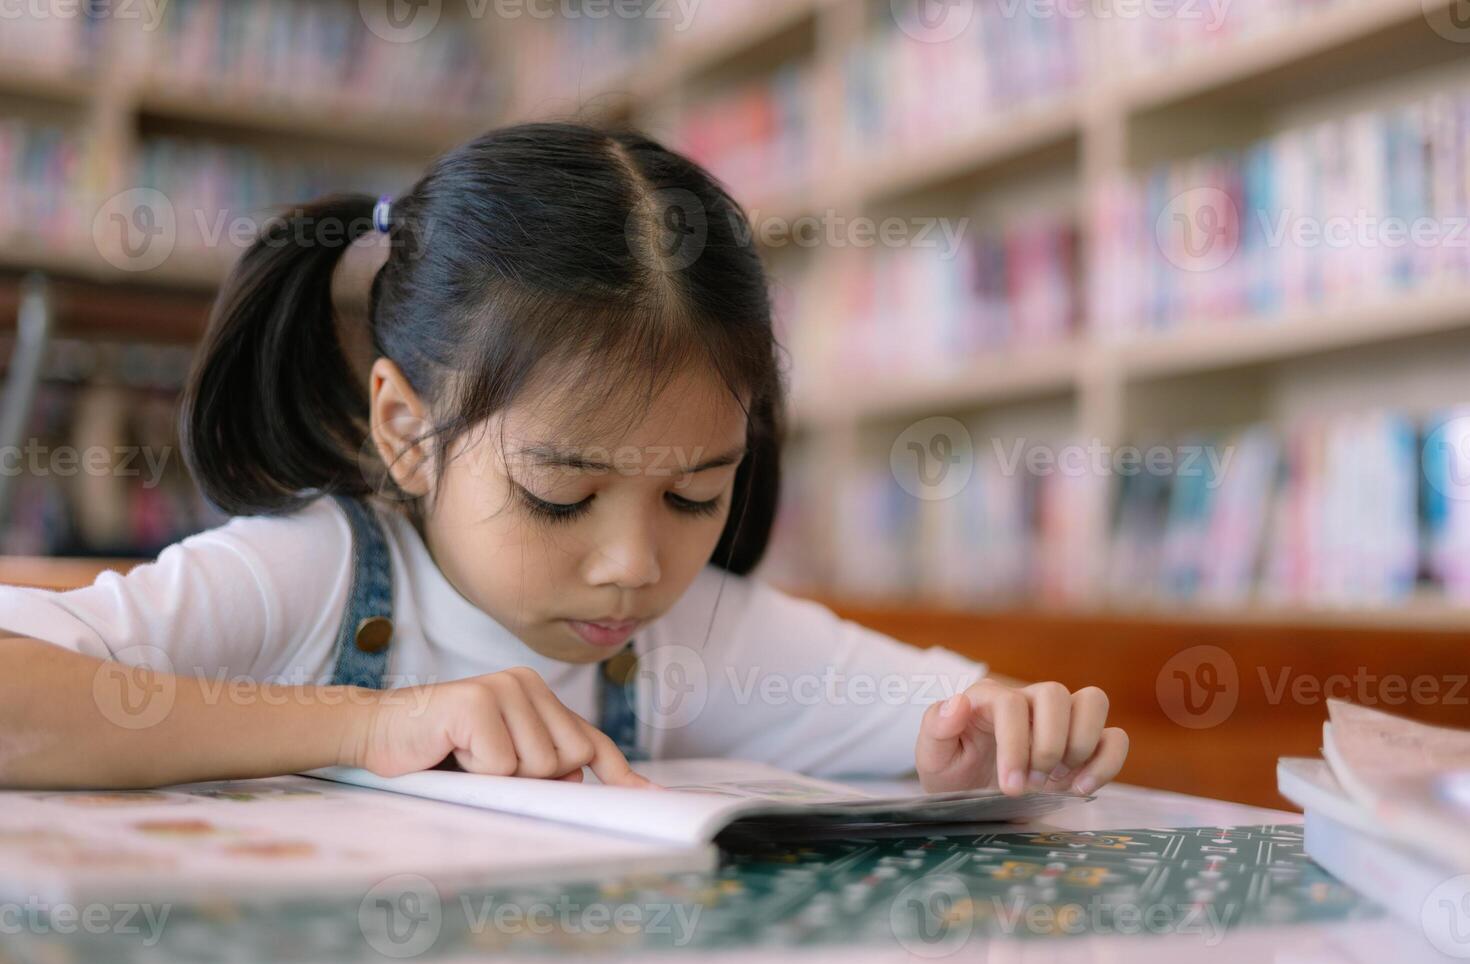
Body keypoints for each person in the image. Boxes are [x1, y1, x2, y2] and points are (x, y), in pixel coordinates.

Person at [0, 123, 1127, 796]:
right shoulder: (314, 577)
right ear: (407, 428)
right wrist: (370, 723)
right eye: (561, 494)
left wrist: (1011, 740)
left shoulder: (696, 638)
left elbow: (969, 715)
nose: (635, 564)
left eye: (696, 492)